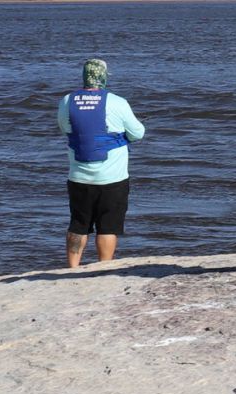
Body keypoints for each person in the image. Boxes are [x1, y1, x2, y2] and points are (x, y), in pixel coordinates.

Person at [57, 59, 145, 267]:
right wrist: (119, 138)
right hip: (113, 178)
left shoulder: (67, 100)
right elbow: (138, 133)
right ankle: (103, 267)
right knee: (108, 226)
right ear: (104, 77)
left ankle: (72, 269)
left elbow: (65, 129)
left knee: (78, 224)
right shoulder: (117, 102)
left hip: (78, 177)